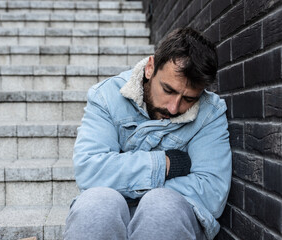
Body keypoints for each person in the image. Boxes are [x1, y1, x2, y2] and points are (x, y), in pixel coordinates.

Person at [64, 27, 232, 240]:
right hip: (111, 212)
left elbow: (211, 191)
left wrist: (131, 185)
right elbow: (90, 170)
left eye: (189, 99)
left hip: (172, 218)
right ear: (150, 68)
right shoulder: (106, 96)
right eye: (168, 90)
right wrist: (166, 164)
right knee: (97, 204)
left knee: (160, 207)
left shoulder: (210, 113)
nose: (173, 108)